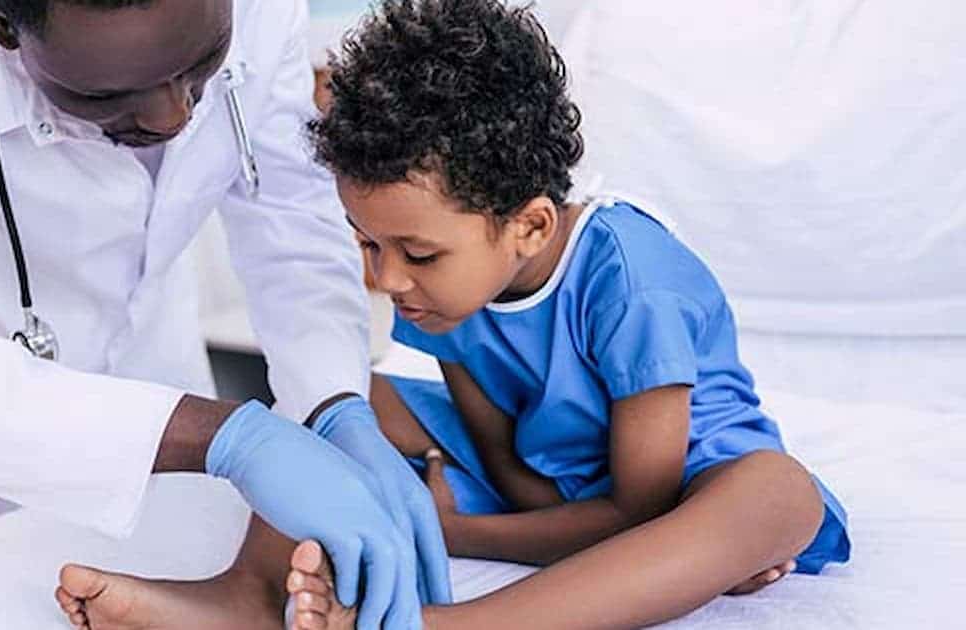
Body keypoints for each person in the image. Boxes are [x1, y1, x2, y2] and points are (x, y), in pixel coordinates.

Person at [52, 1, 851, 628]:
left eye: (415, 254)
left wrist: (456, 530)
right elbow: (503, 456)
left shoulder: (633, 281)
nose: (386, 280)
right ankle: (242, 597)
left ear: (530, 225)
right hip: (548, 475)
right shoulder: (447, 290)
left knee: (775, 494)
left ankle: (441, 625)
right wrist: (402, 469)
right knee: (337, 407)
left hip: (677, 486)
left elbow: (637, 509)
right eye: (367, 245)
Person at [0, 0, 450, 626]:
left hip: (164, 367)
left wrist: (333, 402)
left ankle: (233, 599)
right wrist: (228, 437)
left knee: (196, 538)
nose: (173, 116)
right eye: (105, 96)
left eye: (203, 62)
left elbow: (289, 216)